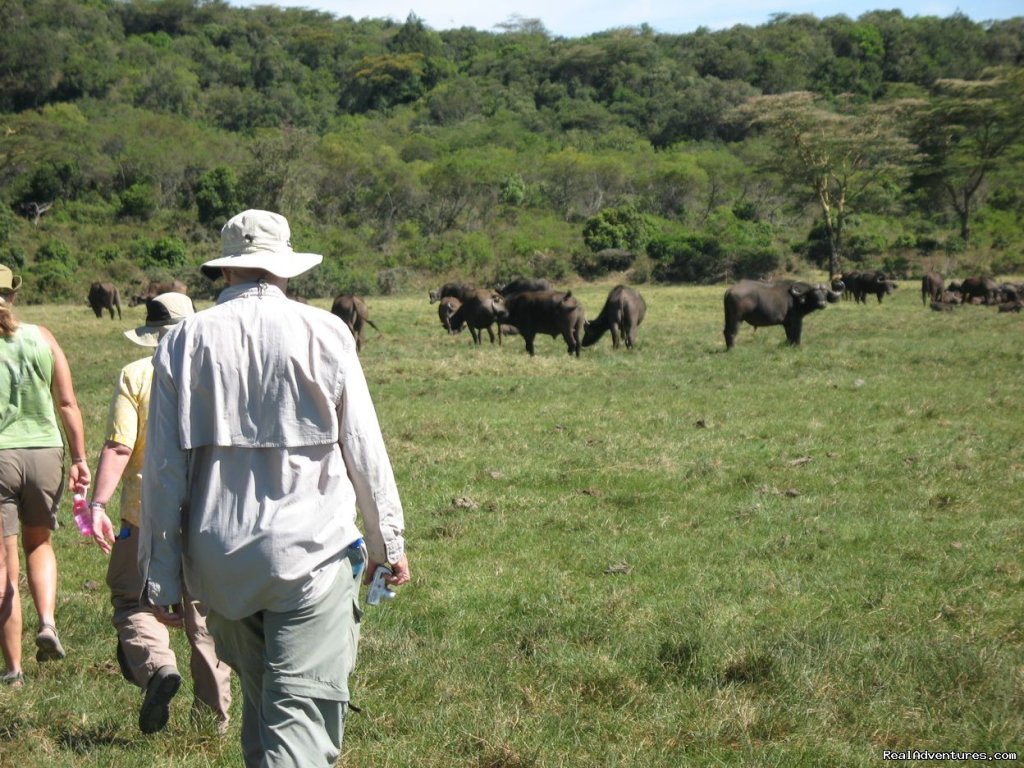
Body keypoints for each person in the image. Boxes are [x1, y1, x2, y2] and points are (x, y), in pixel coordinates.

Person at [139, 209, 410, 768]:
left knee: (263, 714)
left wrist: (162, 575)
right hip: (310, 559)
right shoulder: (327, 332)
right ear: (284, 268)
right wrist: (388, 547)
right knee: (299, 728)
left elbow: (163, 472)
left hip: (219, 564)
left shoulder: (181, 342)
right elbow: (364, 450)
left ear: (228, 271)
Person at [88, 293, 232, 733]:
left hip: (144, 515)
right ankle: (212, 721)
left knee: (133, 600)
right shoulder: (219, 373)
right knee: (203, 618)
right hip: (211, 512)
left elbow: (119, 446)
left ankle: (157, 666)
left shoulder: (137, 375)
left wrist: (96, 504)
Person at [0, 264, 91, 688]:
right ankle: (49, 623)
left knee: (4, 564)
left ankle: (14, 670)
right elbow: (69, 403)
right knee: (40, 543)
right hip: (45, 453)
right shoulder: (43, 337)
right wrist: (79, 457)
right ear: (13, 294)